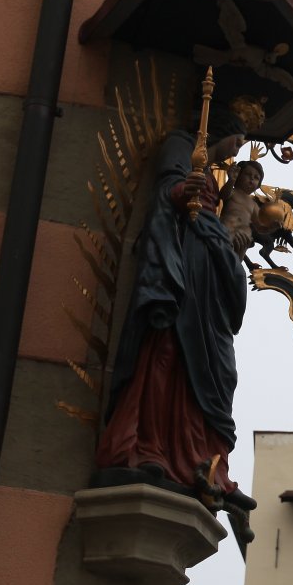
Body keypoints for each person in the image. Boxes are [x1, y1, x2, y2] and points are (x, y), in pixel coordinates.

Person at [93, 98, 263, 548]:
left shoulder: (220, 177)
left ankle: (207, 464)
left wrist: (233, 239)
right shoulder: (182, 146)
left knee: (217, 368)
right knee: (169, 353)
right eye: (238, 139)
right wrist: (185, 189)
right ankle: (148, 448)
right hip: (181, 266)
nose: (238, 150)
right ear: (221, 129)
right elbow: (169, 189)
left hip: (210, 272)